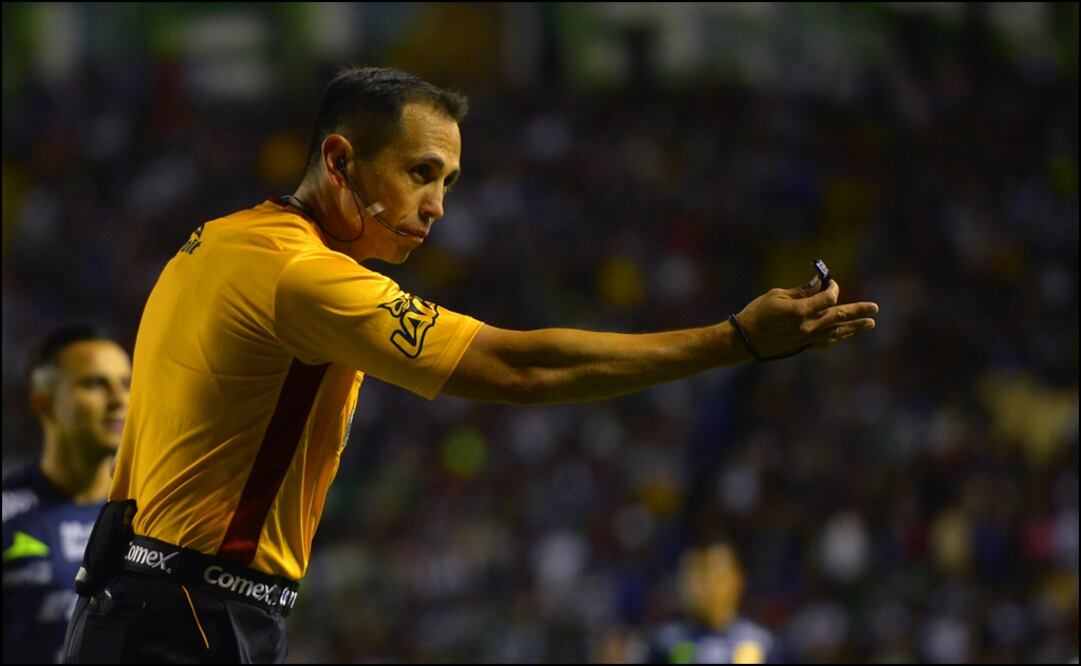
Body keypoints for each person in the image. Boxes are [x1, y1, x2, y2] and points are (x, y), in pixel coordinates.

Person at [61, 66, 879, 664]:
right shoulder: (301, 276)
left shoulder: (214, 240)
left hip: (139, 604)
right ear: (340, 161)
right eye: (420, 174)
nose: (438, 207)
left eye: (448, 181)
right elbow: (518, 368)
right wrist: (731, 340)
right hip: (189, 618)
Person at [3, 325, 131, 663]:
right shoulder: (8, 516)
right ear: (44, 403)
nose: (119, 400)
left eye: (126, 384)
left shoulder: (151, 519)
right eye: (94, 384)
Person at [645, 542, 780, 664]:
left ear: (737, 580)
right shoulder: (665, 643)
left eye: (716, 576)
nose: (705, 586)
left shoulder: (760, 644)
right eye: (695, 575)